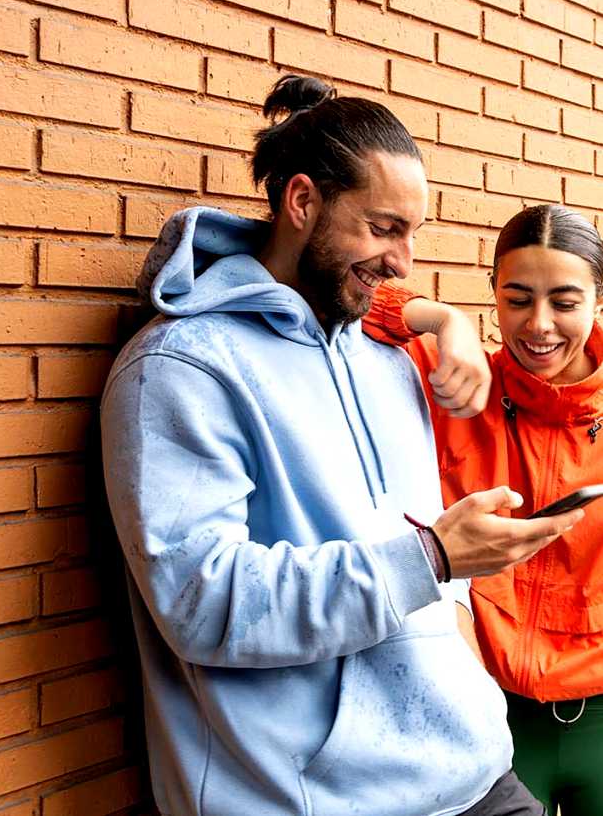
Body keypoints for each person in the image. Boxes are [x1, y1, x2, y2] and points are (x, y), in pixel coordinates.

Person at [100, 76, 581, 816]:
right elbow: (202, 600)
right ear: (302, 203)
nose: (404, 261)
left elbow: (432, 565)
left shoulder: (388, 361)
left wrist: (466, 657)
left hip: (477, 775)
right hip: (314, 800)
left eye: (412, 234)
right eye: (385, 228)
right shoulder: (181, 369)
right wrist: (435, 559)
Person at [364, 203, 603, 816]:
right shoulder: (455, 383)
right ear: (493, 294)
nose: (540, 325)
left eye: (565, 302)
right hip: (483, 711)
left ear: (598, 299)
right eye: (517, 298)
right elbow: (346, 291)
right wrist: (444, 320)